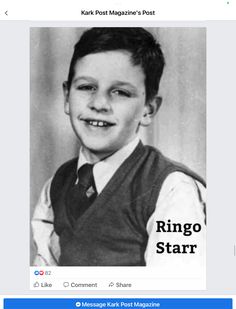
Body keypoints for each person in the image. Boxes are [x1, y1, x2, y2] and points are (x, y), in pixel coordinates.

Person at [32, 28, 206, 272]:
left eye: (120, 92)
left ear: (148, 109)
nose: (99, 104)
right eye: (86, 87)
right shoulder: (56, 185)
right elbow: (43, 278)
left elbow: (175, 298)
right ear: (66, 96)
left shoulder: (173, 189)